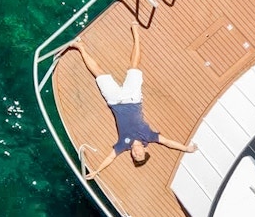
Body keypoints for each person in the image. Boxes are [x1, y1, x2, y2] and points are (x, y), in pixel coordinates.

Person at [63, 26, 197, 169]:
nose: (136, 154)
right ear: (145, 150)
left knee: (98, 73)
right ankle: (137, 35)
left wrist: (96, 171)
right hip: (133, 98)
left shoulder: (123, 144)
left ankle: (80, 48)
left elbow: (110, 157)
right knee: (134, 65)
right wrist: (186, 148)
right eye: (140, 155)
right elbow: (168, 143)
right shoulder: (149, 137)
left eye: (134, 156)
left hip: (114, 100)